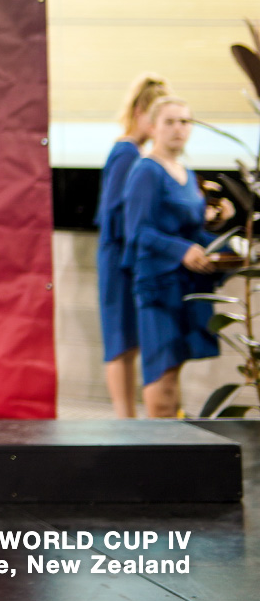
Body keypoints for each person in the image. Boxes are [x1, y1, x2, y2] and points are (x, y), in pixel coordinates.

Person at [122, 96, 231, 417]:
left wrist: (225, 237)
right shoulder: (146, 170)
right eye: (170, 121)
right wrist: (181, 251)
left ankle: (172, 451)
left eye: (185, 121)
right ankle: (158, 455)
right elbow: (138, 231)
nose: (178, 129)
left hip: (187, 284)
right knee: (162, 371)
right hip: (159, 285)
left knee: (175, 370)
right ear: (153, 126)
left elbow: (190, 228)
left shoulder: (185, 170)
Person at [97, 75, 164, 417]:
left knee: (129, 342)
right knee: (120, 341)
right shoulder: (127, 151)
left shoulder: (136, 152)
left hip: (126, 256)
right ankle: (124, 419)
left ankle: (127, 418)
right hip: (119, 258)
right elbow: (114, 213)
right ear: (140, 111)